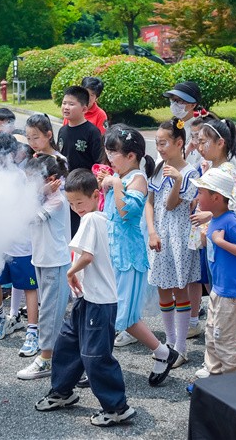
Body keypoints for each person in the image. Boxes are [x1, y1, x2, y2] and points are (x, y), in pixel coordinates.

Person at [34, 169, 135, 428]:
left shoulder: (91, 219)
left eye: (80, 202)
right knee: (68, 343)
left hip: (100, 301)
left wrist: (70, 272)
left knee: (95, 355)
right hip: (88, 298)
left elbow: (87, 256)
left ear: (95, 196)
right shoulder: (99, 218)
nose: (76, 208)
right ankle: (62, 392)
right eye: (71, 203)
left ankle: (117, 408)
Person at [97, 124, 178, 386]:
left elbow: (126, 213)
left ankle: (97, 365)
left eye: (113, 152)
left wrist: (115, 184)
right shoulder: (120, 176)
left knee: (119, 315)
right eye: (108, 151)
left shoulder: (137, 179)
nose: (109, 157)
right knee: (124, 316)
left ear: (131, 156)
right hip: (113, 253)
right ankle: (163, 353)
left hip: (128, 258)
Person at [145, 118, 202, 366]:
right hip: (160, 236)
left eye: (164, 143)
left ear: (179, 143)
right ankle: (169, 342)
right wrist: (151, 231)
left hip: (178, 237)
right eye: (157, 143)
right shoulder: (159, 168)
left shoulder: (190, 173)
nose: (160, 148)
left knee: (180, 289)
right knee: (162, 288)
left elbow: (170, 205)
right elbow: (150, 203)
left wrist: (178, 180)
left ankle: (180, 347)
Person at [190, 168, 236, 379]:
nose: (197, 196)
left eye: (201, 192)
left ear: (216, 197)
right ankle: (214, 372)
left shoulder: (230, 222)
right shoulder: (216, 219)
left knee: (228, 341)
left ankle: (232, 383)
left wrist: (220, 242)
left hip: (233, 292)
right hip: (219, 288)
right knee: (212, 333)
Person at [18, 154, 72, 380]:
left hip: (55, 262)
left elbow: (27, 218)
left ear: (50, 180)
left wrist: (39, 193)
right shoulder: (42, 197)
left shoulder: (57, 199)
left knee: (50, 312)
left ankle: (46, 359)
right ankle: (57, 356)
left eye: (33, 180)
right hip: (42, 260)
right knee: (49, 309)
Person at [0, 133, 34, 345]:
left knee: (28, 286)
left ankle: (32, 331)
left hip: (20, 242)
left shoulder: (19, 177)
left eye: (0, 155)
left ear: (12, 155)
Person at [57, 86, 103, 235]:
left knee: (86, 230)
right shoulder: (62, 131)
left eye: (71, 104)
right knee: (69, 230)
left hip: (85, 191)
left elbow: (99, 163)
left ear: (84, 109)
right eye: (64, 103)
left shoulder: (92, 132)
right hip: (67, 190)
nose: (66, 107)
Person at [196, 119, 236, 213]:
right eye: (199, 143)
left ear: (220, 143)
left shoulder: (226, 171)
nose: (200, 148)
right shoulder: (210, 167)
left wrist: (209, 215)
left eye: (203, 142)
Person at [163, 80, 207, 157]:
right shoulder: (170, 126)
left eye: (180, 101)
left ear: (193, 105)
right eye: (173, 100)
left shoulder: (201, 129)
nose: (174, 104)